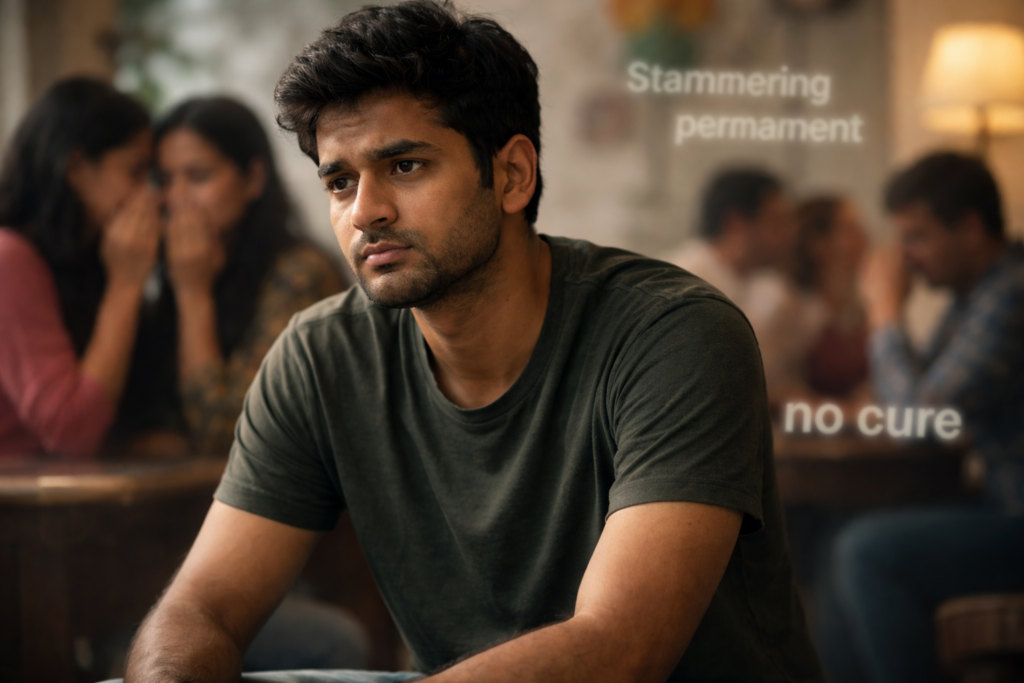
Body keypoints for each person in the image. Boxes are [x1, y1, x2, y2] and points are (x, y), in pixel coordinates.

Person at [122, 2, 823, 682]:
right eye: (339, 181)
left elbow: (620, 650)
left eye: (405, 166)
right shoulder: (319, 357)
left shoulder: (674, 334)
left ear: (512, 175)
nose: (365, 211)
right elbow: (200, 607)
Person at [821, 152, 1024, 683]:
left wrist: (885, 310)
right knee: (835, 536)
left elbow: (917, 424)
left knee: (866, 551)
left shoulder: (1011, 296)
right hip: (1001, 502)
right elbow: (915, 399)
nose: (905, 257)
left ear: (972, 228)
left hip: (1016, 513)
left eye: (917, 237)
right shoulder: (975, 297)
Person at [114, 96, 348, 459]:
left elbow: (226, 434)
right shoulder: (170, 268)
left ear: (252, 179)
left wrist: (194, 294)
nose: (176, 198)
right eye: (165, 179)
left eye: (198, 176)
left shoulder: (301, 273)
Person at [0, 77, 160, 459]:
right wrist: (126, 283)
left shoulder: (88, 258)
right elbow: (70, 432)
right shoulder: (10, 257)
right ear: (76, 167)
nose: (149, 195)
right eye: (135, 172)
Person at [666, 169, 825, 411]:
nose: (790, 235)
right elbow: (698, 391)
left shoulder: (754, 285)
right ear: (736, 224)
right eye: (777, 222)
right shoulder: (684, 285)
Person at [793, 195, 870, 400]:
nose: (864, 237)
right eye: (850, 228)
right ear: (817, 243)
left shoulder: (855, 305)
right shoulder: (794, 309)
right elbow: (777, 390)